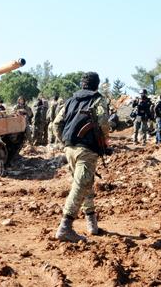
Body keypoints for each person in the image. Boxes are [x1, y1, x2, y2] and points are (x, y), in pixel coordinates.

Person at [54, 72, 109, 242]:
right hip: (87, 149)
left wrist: (64, 141)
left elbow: (56, 123)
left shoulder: (71, 100)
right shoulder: (98, 100)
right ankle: (65, 227)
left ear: (82, 84)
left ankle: (91, 221)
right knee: (81, 185)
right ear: (96, 85)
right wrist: (104, 141)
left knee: (85, 183)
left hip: (69, 149)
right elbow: (104, 122)